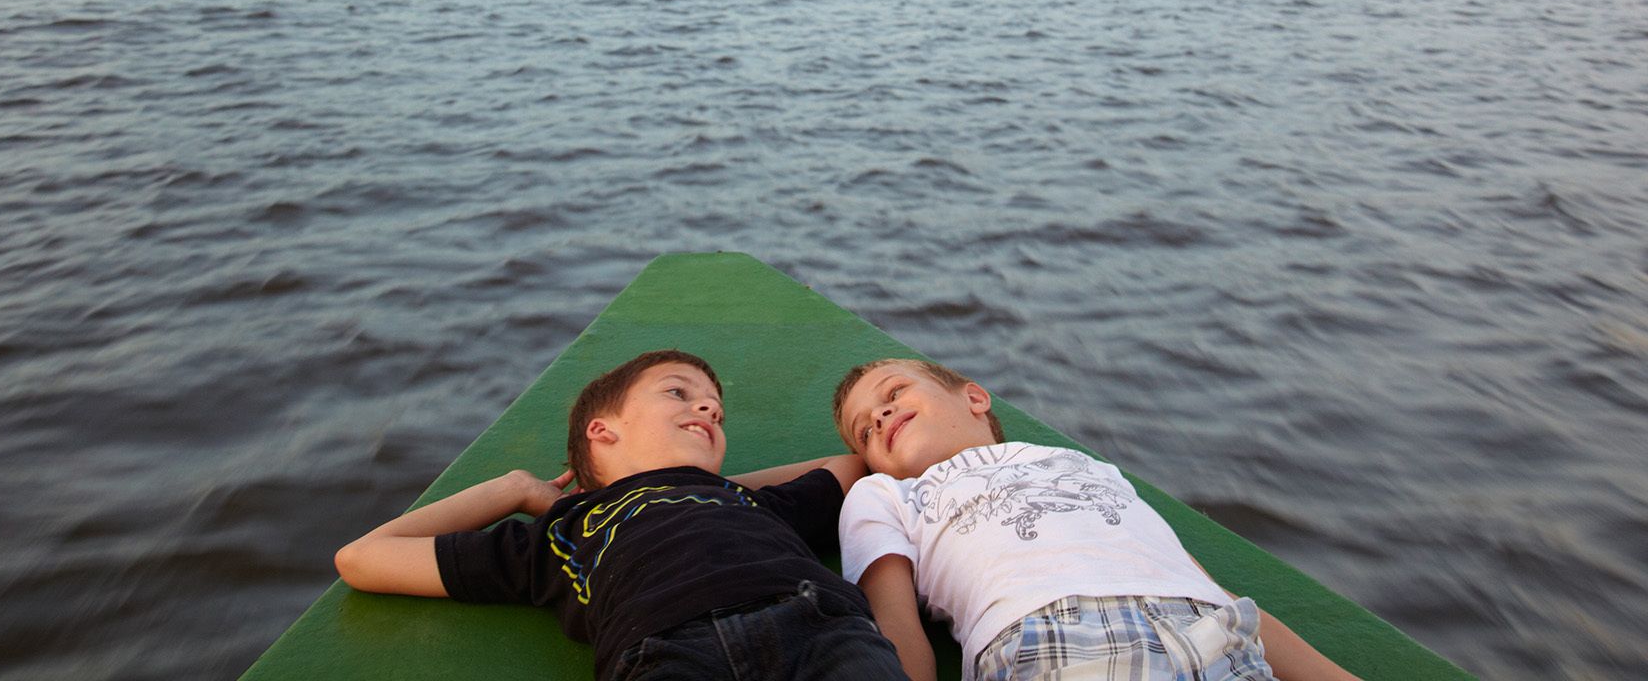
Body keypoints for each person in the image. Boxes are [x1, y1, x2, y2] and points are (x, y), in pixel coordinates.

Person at [336, 348, 910, 681]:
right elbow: (362, 558)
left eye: (715, 407)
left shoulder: (747, 505)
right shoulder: (564, 535)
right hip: (666, 649)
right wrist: (512, 489)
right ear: (602, 431)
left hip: (819, 627)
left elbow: (849, 464)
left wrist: (708, 483)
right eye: (678, 394)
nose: (708, 406)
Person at [833, 358, 1366, 681]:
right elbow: (895, 623)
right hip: (1050, 646)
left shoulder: (1084, 465)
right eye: (863, 432)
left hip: (1205, 633)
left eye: (895, 392)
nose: (878, 416)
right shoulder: (885, 493)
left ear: (973, 397)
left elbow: (1207, 587)